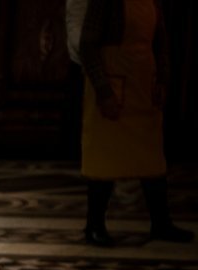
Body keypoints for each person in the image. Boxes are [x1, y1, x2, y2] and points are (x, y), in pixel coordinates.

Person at [78, 0, 193, 246]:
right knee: (104, 158)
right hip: (112, 84)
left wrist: (162, 79)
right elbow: (87, 44)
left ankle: (161, 223)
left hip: (142, 84)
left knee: (152, 157)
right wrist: (103, 90)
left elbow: (161, 43)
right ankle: (94, 225)